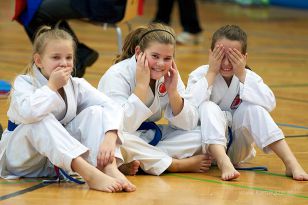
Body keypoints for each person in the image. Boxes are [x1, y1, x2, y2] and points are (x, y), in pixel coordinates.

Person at [0, 26, 136, 192]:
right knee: (40, 118)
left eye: (68, 57)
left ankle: (108, 166)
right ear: (39, 61)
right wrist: (51, 87)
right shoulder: (24, 83)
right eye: (56, 57)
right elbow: (29, 113)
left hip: (53, 164)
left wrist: (110, 135)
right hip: (23, 159)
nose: (64, 63)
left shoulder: (75, 85)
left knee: (96, 112)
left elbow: (112, 106)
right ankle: (89, 174)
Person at [185, 24, 308, 181]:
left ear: (244, 57)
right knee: (208, 107)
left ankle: (291, 163)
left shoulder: (247, 77)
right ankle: (223, 162)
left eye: (233, 57)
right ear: (211, 54)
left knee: (253, 109)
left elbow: (270, 103)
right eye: (221, 56)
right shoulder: (200, 74)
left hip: (238, 149)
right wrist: (211, 73)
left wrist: (242, 74)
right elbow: (188, 110)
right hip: (204, 149)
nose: (226, 63)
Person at [98, 23, 211, 176]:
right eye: (155, 56)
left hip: (145, 139)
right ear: (139, 52)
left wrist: (173, 93)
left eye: (167, 58)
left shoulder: (170, 76)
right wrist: (142, 86)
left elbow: (188, 124)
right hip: (118, 135)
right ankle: (173, 164)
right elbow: (121, 126)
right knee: (120, 142)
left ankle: (139, 160)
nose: (160, 64)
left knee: (202, 135)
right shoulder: (117, 75)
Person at [12, 0, 127, 77]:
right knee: (38, 9)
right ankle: (79, 54)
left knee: (33, 14)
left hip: (102, 4)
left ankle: (76, 56)